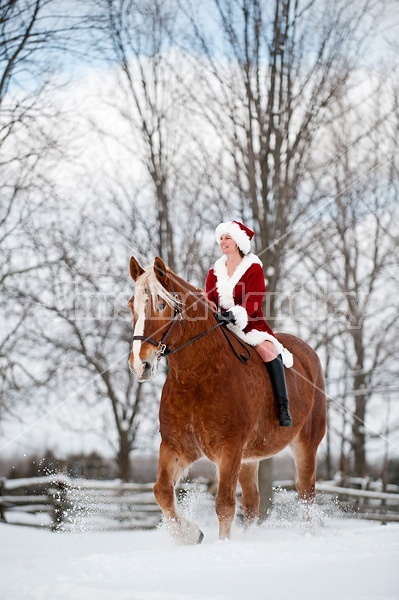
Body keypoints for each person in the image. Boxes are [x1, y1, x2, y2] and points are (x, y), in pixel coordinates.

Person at [205, 220, 293, 427]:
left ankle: (282, 407)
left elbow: (254, 299)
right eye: (221, 238)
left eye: (227, 238)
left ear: (238, 242)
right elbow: (210, 300)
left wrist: (236, 314)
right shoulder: (214, 272)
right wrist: (209, 310)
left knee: (269, 351)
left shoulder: (253, 268)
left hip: (250, 323)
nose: (223, 242)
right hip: (221, 325)